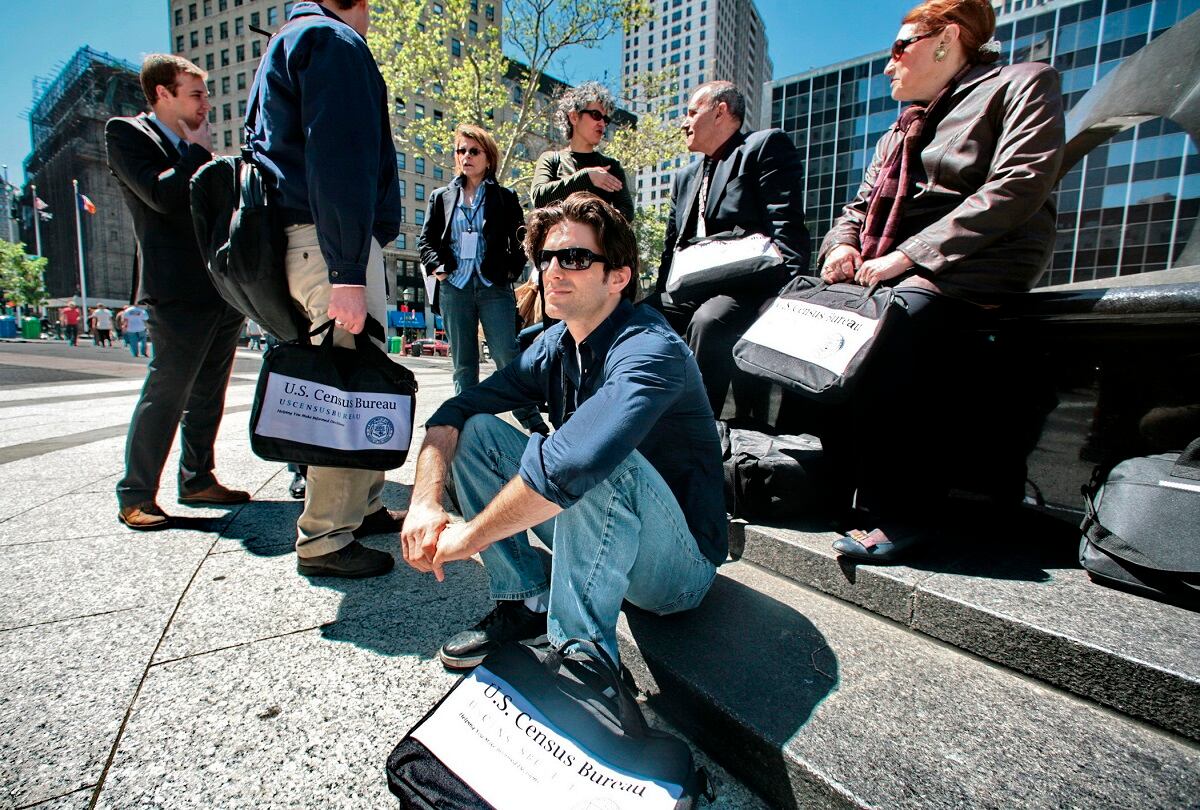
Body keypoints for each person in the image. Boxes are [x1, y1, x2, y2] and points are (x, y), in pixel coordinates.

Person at [401, 193, 726, 668]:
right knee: (476, 431)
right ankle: (526, 600)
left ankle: (583, 658)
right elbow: (455, 409)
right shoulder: (555, 344)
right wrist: (424, 502)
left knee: (591, 456)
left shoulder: (650, 348)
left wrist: (467, 537)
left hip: (677, 571)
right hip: (604, 530)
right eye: (545, 258)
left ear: (617, 277)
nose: (552, 271)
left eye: (573, 258)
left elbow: (575, 461)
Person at [815, 0, 1065, 561]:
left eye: (900, 47)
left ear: (947, 40)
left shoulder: (1022, 83)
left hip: (978, 260)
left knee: (896, 322)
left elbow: (1018, 185)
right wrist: (843, 246)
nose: (889, 64)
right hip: (895, 266)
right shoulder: (899, 129)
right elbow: (857, 208)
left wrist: (909, 256)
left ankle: (904, 513)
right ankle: (839, 486)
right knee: (819, 324)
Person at [248, 0, 404, 578]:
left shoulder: (290, 38)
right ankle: (325, 539)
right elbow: (339, 157)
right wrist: (347, 272)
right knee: (347, 382)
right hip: (329, 242)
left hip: (313, 238)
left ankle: (360, 508)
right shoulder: (332, 40)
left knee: (362, 372)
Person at [107, 54, 250, 530]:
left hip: (219, 287)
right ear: (163, 94)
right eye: (196, 94)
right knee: (168, 389)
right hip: (175, 288)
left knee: (210, 389)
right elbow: (160, 196)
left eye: (205, 94)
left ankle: (197, 478)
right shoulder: (126, 134)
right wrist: (194, 151)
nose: (205, 104)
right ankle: (135, 493)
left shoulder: (196, 149)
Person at [652, 81, 810, 420]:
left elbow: (786, 226)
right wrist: (658, 293)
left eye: (692, 112)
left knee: (708, 321)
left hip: (744, 285)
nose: (684, 123)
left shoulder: (763, 147)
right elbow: (671, 246)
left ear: (720, 111)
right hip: (689, 284)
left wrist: (789, 297)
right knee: (632, 315)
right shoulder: (685, 177)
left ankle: (695, 428)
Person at [418, 124, 546, 434]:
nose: (466, 156)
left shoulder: (504, 197)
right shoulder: (441, 197)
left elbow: (522, 240)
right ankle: (467, 425)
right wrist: (438, 267)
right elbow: (426, 241)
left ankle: (533, 424)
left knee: (507, 357)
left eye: (474, 151)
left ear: (488, 158)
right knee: (463, 363)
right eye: (461, 151)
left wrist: (510, 272)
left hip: (493, 288)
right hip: (454, 288)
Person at [531, 82, 635, 222]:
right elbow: (538, 197)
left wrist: (604, 220)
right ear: (574, 117)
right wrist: (586, 177)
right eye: (596, 115)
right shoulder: (551, 159)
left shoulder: (612, 166)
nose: (602, 124)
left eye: (605, 119)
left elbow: (627, 212)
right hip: (559, 235)